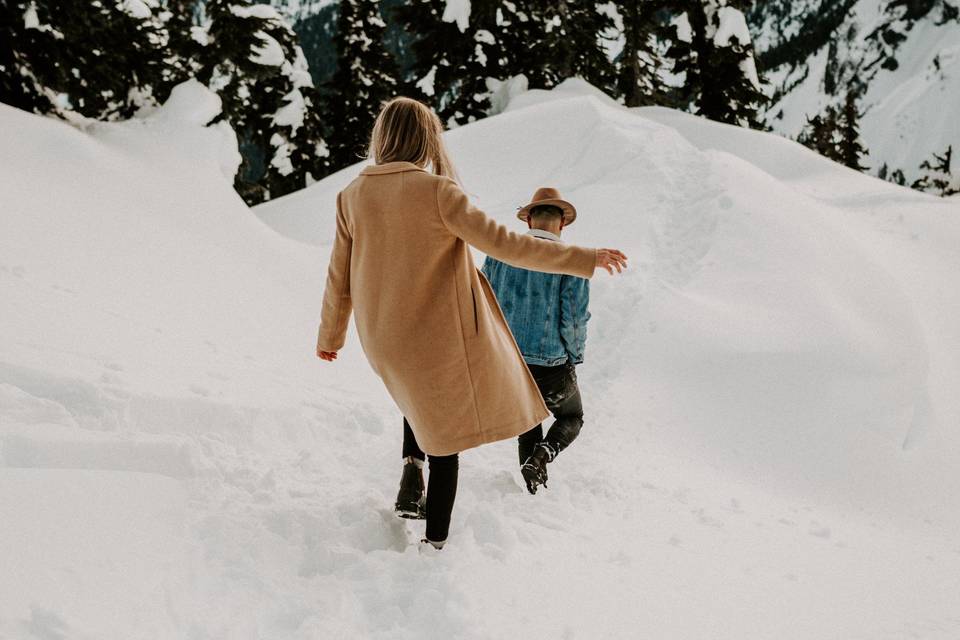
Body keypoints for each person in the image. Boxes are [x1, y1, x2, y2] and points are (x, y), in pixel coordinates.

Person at [316, 97, 628, 550]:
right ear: (427, 139)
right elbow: (507, 245)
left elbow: (337, 274)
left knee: (422, 408)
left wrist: (330, 335)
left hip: (381, 340)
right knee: (446, 444)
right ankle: (434, 544)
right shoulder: (440, 192)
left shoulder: (351, 195)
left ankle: (410, 474)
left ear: (381, 136)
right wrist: (584, 257)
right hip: (435, 339)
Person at [481, 188, 589, 494]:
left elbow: (484, 300)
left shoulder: (499, 253)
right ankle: (542, 458)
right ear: (562, 224)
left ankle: (531, 486)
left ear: (528, 220)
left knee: (529, 420)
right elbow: (574, 318)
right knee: (572, 416)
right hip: (550, 364)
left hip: (507, 359)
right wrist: (574, 356)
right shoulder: (572, 260)